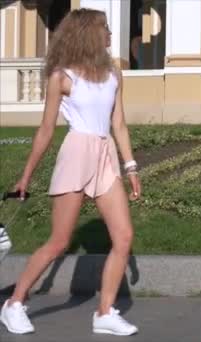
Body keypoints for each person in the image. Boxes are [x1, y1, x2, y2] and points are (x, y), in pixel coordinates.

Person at [0, 8, 141, 336]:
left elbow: (118, 123)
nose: (109, 35)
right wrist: (26, 176)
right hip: (76, 153)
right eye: (105, 29)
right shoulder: (61, 77)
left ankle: (104, 312)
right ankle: (14, 304)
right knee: (60, 240)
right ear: (87, 34)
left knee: (124, 237)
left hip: (105, 156)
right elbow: (46, 130)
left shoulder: (113, 74)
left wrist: (131, 167)